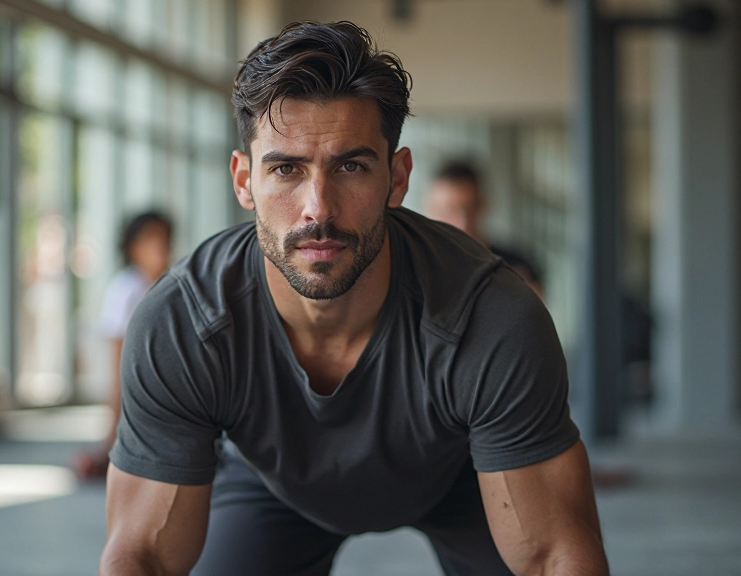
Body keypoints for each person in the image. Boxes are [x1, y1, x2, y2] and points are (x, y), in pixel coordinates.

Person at [101, 21, 607, 576]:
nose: (318, 208)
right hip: (275, 484)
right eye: (286, 169)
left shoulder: (490, 317)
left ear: (397, 176)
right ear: (243, 181)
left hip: (465, 470)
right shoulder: (184, 321)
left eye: (351, 166)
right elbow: (142, 556)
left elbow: (555, 557)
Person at [74, 211, 172, 480]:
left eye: (165, 238)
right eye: (152, 239)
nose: (161, 246)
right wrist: (110, 434)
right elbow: (118, 360)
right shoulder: (124, 288)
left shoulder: (172, 283)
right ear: (133, 248)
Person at [425, 160, 544, 298]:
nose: (462, 223)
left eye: (470, 209)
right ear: (430, 210)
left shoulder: (518, 267)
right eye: (449, 210)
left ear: (483, 205)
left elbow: (534, 315)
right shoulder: (421, 268)